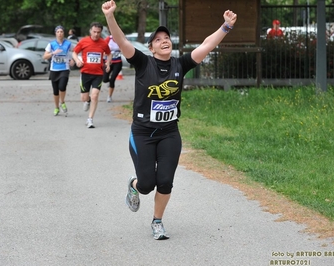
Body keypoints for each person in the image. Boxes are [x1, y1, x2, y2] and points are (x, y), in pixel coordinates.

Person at [102, 0, 237, 240]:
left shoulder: (180, 64)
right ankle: (133, 185)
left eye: (166, 37)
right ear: (151, 48)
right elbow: (121, 40)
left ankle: (157, 222)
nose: (164, 40)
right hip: (142, 133)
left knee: (165, 181)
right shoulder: (143, 63)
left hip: (169, 133)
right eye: (158, 39)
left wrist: (225, 27)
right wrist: (110, 16)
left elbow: (206, 45)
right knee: (146, 184)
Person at [72, 22, 112, 128]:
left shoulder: (103, 43)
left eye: (98, 32)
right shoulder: (84, 41)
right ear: (90, 31)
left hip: (98, 74)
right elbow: (74, 52)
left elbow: (109, 54)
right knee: (84, 97)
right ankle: (87, 100)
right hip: (85, 73)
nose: (96, 34)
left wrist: (108, 63)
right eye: (94, 32)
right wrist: (77, 60)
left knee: (94, 95)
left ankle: (90, 119)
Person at [43, 25, 75, 116]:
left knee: (62, 86)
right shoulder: (51, 44)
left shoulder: (68, 43)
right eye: (58, 32)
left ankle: (63, 102)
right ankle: (57, 107)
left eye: (61, 32)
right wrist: (53, 53)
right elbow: (45, 56)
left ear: (63, 33)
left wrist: (73, 59)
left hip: (64, 69)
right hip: (54, 69)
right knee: (55, 90)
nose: (60, 33)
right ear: (55, 33)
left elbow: (75, 51)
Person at [103, 34, 123, 103]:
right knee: (105, 79)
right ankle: (108, 82)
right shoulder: (108, 39)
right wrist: (104, 53)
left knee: (112, 79)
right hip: (108, 62)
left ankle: (109, 96)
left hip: (118, 62)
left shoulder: (120, 39)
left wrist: (121, 49)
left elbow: (125, 49)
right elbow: (102, 48)